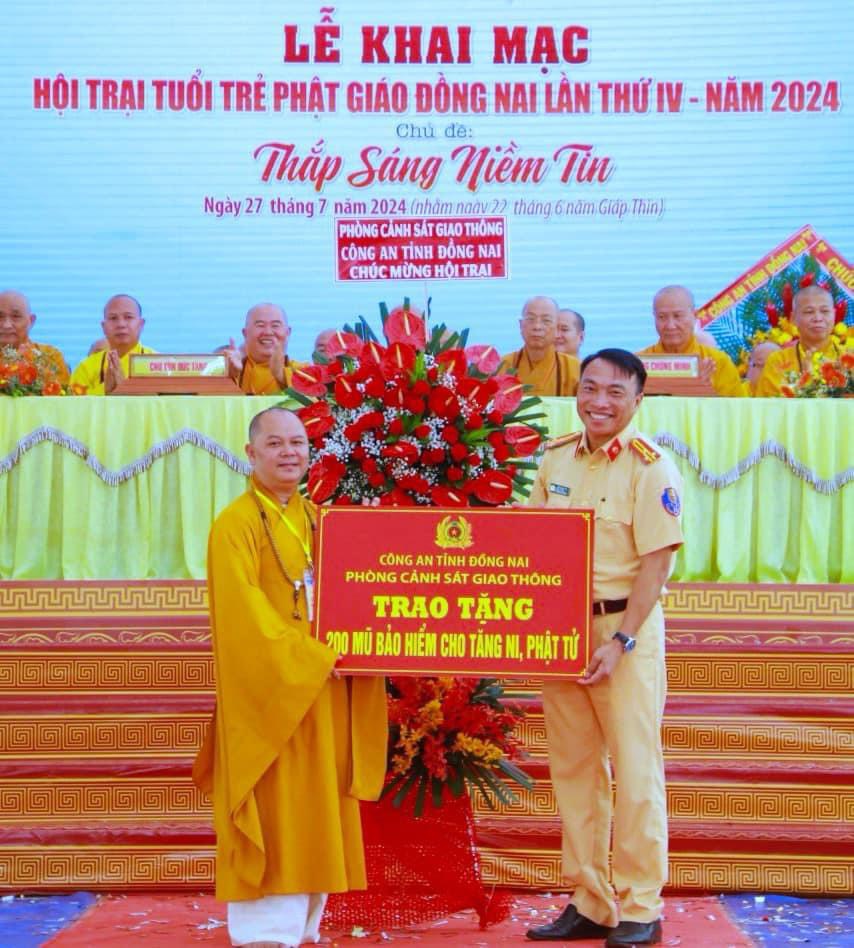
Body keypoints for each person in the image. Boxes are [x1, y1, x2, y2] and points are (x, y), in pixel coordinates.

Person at [193, 407, 388, 948]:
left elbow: (359, 586)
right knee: (276, 803)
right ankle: (264, 931)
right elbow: (243, 616)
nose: (288, 453)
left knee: (316, 801)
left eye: (298, 443)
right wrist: (308, 657)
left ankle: (303, 924)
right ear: (251, 453)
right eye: (275, 443)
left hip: (322, 687)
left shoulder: (320, 520)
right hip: (271, 696)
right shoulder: (234, 525)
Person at [526, 349, 684, 947]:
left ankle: (641, 904)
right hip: (561, 634)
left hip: (625, 632)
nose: (599, 402)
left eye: (615, 392)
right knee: (574, 769)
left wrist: (621, 640)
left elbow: (656, 565)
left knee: (635, 770)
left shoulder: (651, 468)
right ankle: (590, 899)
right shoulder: (556, 457)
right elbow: (531, 542)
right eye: (589, 388)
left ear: (637, 400)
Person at [637, 285, 744, 396]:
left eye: (677, 316)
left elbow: (736, 406)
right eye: (662, 317)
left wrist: (705, 391)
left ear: (694, 315)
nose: (670, 325)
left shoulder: (718, 362)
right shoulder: (639, 364)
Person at [754, 286, 842, 396]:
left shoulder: (849, 358)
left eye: (825, 311)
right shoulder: (778, 361)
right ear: (793, 318)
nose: (818, 318)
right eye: (809, 312)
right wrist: (805, 383)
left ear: (834, 315)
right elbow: (770, 404)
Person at [69, 294, 154, 394]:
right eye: (113, 318)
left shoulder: (158, 364)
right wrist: (105, 391)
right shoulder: (86, 368)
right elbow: (72, 402)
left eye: (128, 317)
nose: (121, 324)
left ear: (141, 324)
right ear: (104, 327)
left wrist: (125, 389)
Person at [499, 296, 579, 396]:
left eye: (546, 320)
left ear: (557, 327)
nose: (537, 326)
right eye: (530, 319)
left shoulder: (575, 369)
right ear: (521, 325)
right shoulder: (502, 366)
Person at [225, 303, 303, 394]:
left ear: (287, 332)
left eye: (275, 325)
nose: (268, 332)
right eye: (260, 325)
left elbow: (311, 399)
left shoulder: (303, 371)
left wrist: (281, 375)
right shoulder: (230, 367)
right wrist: (229, 378)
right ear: (245, 333)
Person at [0, 289, 69, 385]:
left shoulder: (51, 356)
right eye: (0, 317)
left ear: (31, 321)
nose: (6, 325)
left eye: (16, 316)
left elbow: (63, 393)